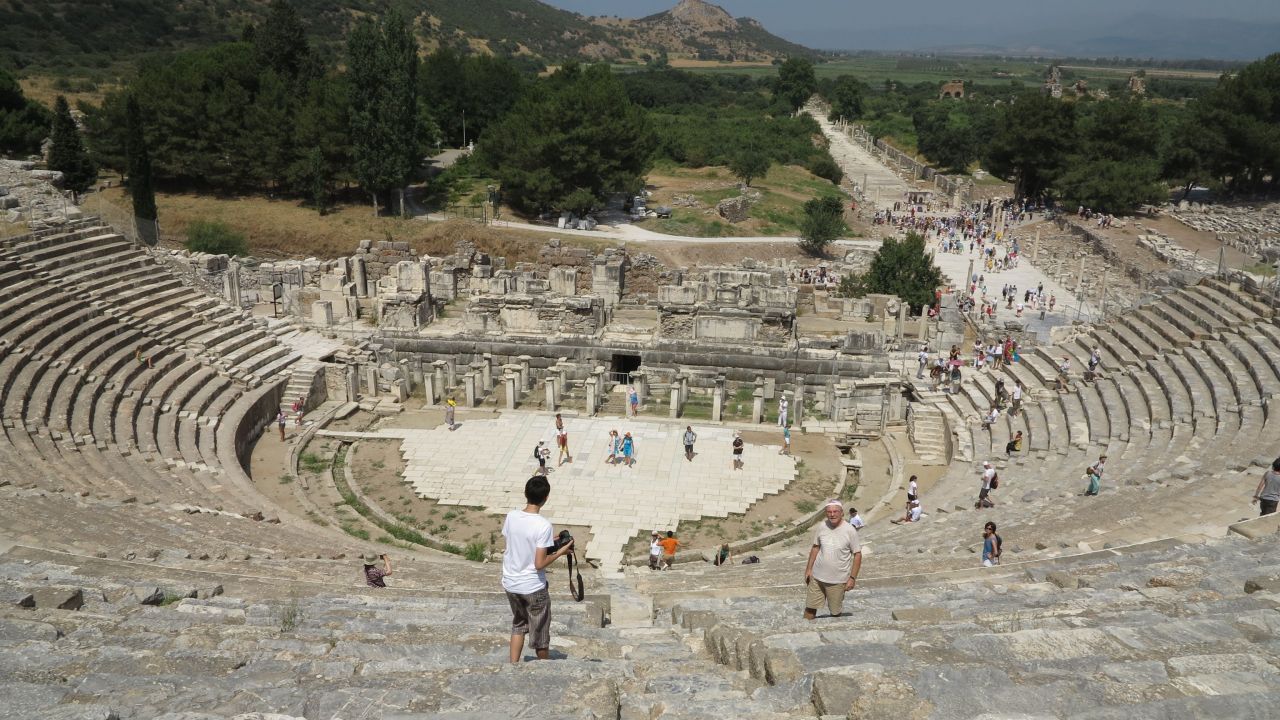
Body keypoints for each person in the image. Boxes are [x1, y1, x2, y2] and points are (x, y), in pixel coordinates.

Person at [502, 476, 574, 663]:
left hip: (511, 583)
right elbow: (539, 563)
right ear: (546, 497)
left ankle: (513, 666)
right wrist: (561, 551)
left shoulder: (511, 516)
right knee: (540, 634)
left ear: (526, 493)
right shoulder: (543, 525)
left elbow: (519, 541)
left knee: (518, 625)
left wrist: (552, 541)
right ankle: (544, 669)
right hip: (533, 587)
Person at [803, 499, 861, 620]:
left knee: (835, 613)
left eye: (835, 511)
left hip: (838, 580)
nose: (832, 514)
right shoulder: (822, 526)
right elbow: (815, 547)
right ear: (826, 513)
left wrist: (852, 578)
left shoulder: (850, 530)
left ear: (841, 513)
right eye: (829, 512)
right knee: (810, 608)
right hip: (817, 577)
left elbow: (858, 555)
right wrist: (808, 569)